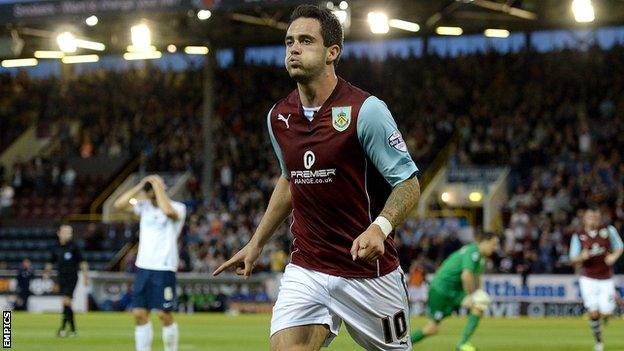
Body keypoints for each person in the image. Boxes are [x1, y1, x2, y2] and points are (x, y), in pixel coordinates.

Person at [214, 5, 420, 350]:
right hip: (307, 266)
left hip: (367, 272)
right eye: (289, 41)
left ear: (332, 53)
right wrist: (257, 242)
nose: (293, 49)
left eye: (306, 41)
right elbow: (290, 179)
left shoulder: (365, 111)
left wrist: (379, 227)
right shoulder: (279, 117)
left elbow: (409, 183)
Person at [114, 175, 187, 351]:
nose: (151, 193)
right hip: (144, 267)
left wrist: (158, 187)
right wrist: (140, 186)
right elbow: (119, 205)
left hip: (164, 267)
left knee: (164, 314)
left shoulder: (178, 207)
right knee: (139, 313)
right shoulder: (143, 207)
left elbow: (169, 212)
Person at [410, 231, 500, 351]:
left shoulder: (480, 258)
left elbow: (477, 277)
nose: (495, 248)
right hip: (441, 290)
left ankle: (462, 344)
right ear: (484, 242)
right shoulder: (473, 251)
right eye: (493, 244)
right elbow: (466, 275)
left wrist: (478, 293)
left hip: (454, 291)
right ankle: (399, 346)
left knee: (479, 306)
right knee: (431, 329)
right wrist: (471, 295)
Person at [569, 207, 623, 351]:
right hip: (588, 278)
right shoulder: (578, 235)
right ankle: (599, 341)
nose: (593, 219)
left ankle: (610, 306)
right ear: (584, 218)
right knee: (593, 312)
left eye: (595, 216)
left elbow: (620, 246)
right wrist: (581, 257)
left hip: (606, 278)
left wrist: (613, 256)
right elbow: (572, 258)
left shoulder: (608, 230)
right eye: (590, 217)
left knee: (606, 311)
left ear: (599, 217)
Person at [45, 224, 89, 337]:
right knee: (66, 303)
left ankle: (63, 328)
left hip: (72, 277)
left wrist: (86, 276)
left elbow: (82, 262)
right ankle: (72, 330)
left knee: (66, 301)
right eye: (66, 232)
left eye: (70, 232)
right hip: (61, 278)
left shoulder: (74, 246)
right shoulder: (55, 247)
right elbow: (50, 262)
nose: (68, 234)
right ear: (59, 233)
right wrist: (47, 273)